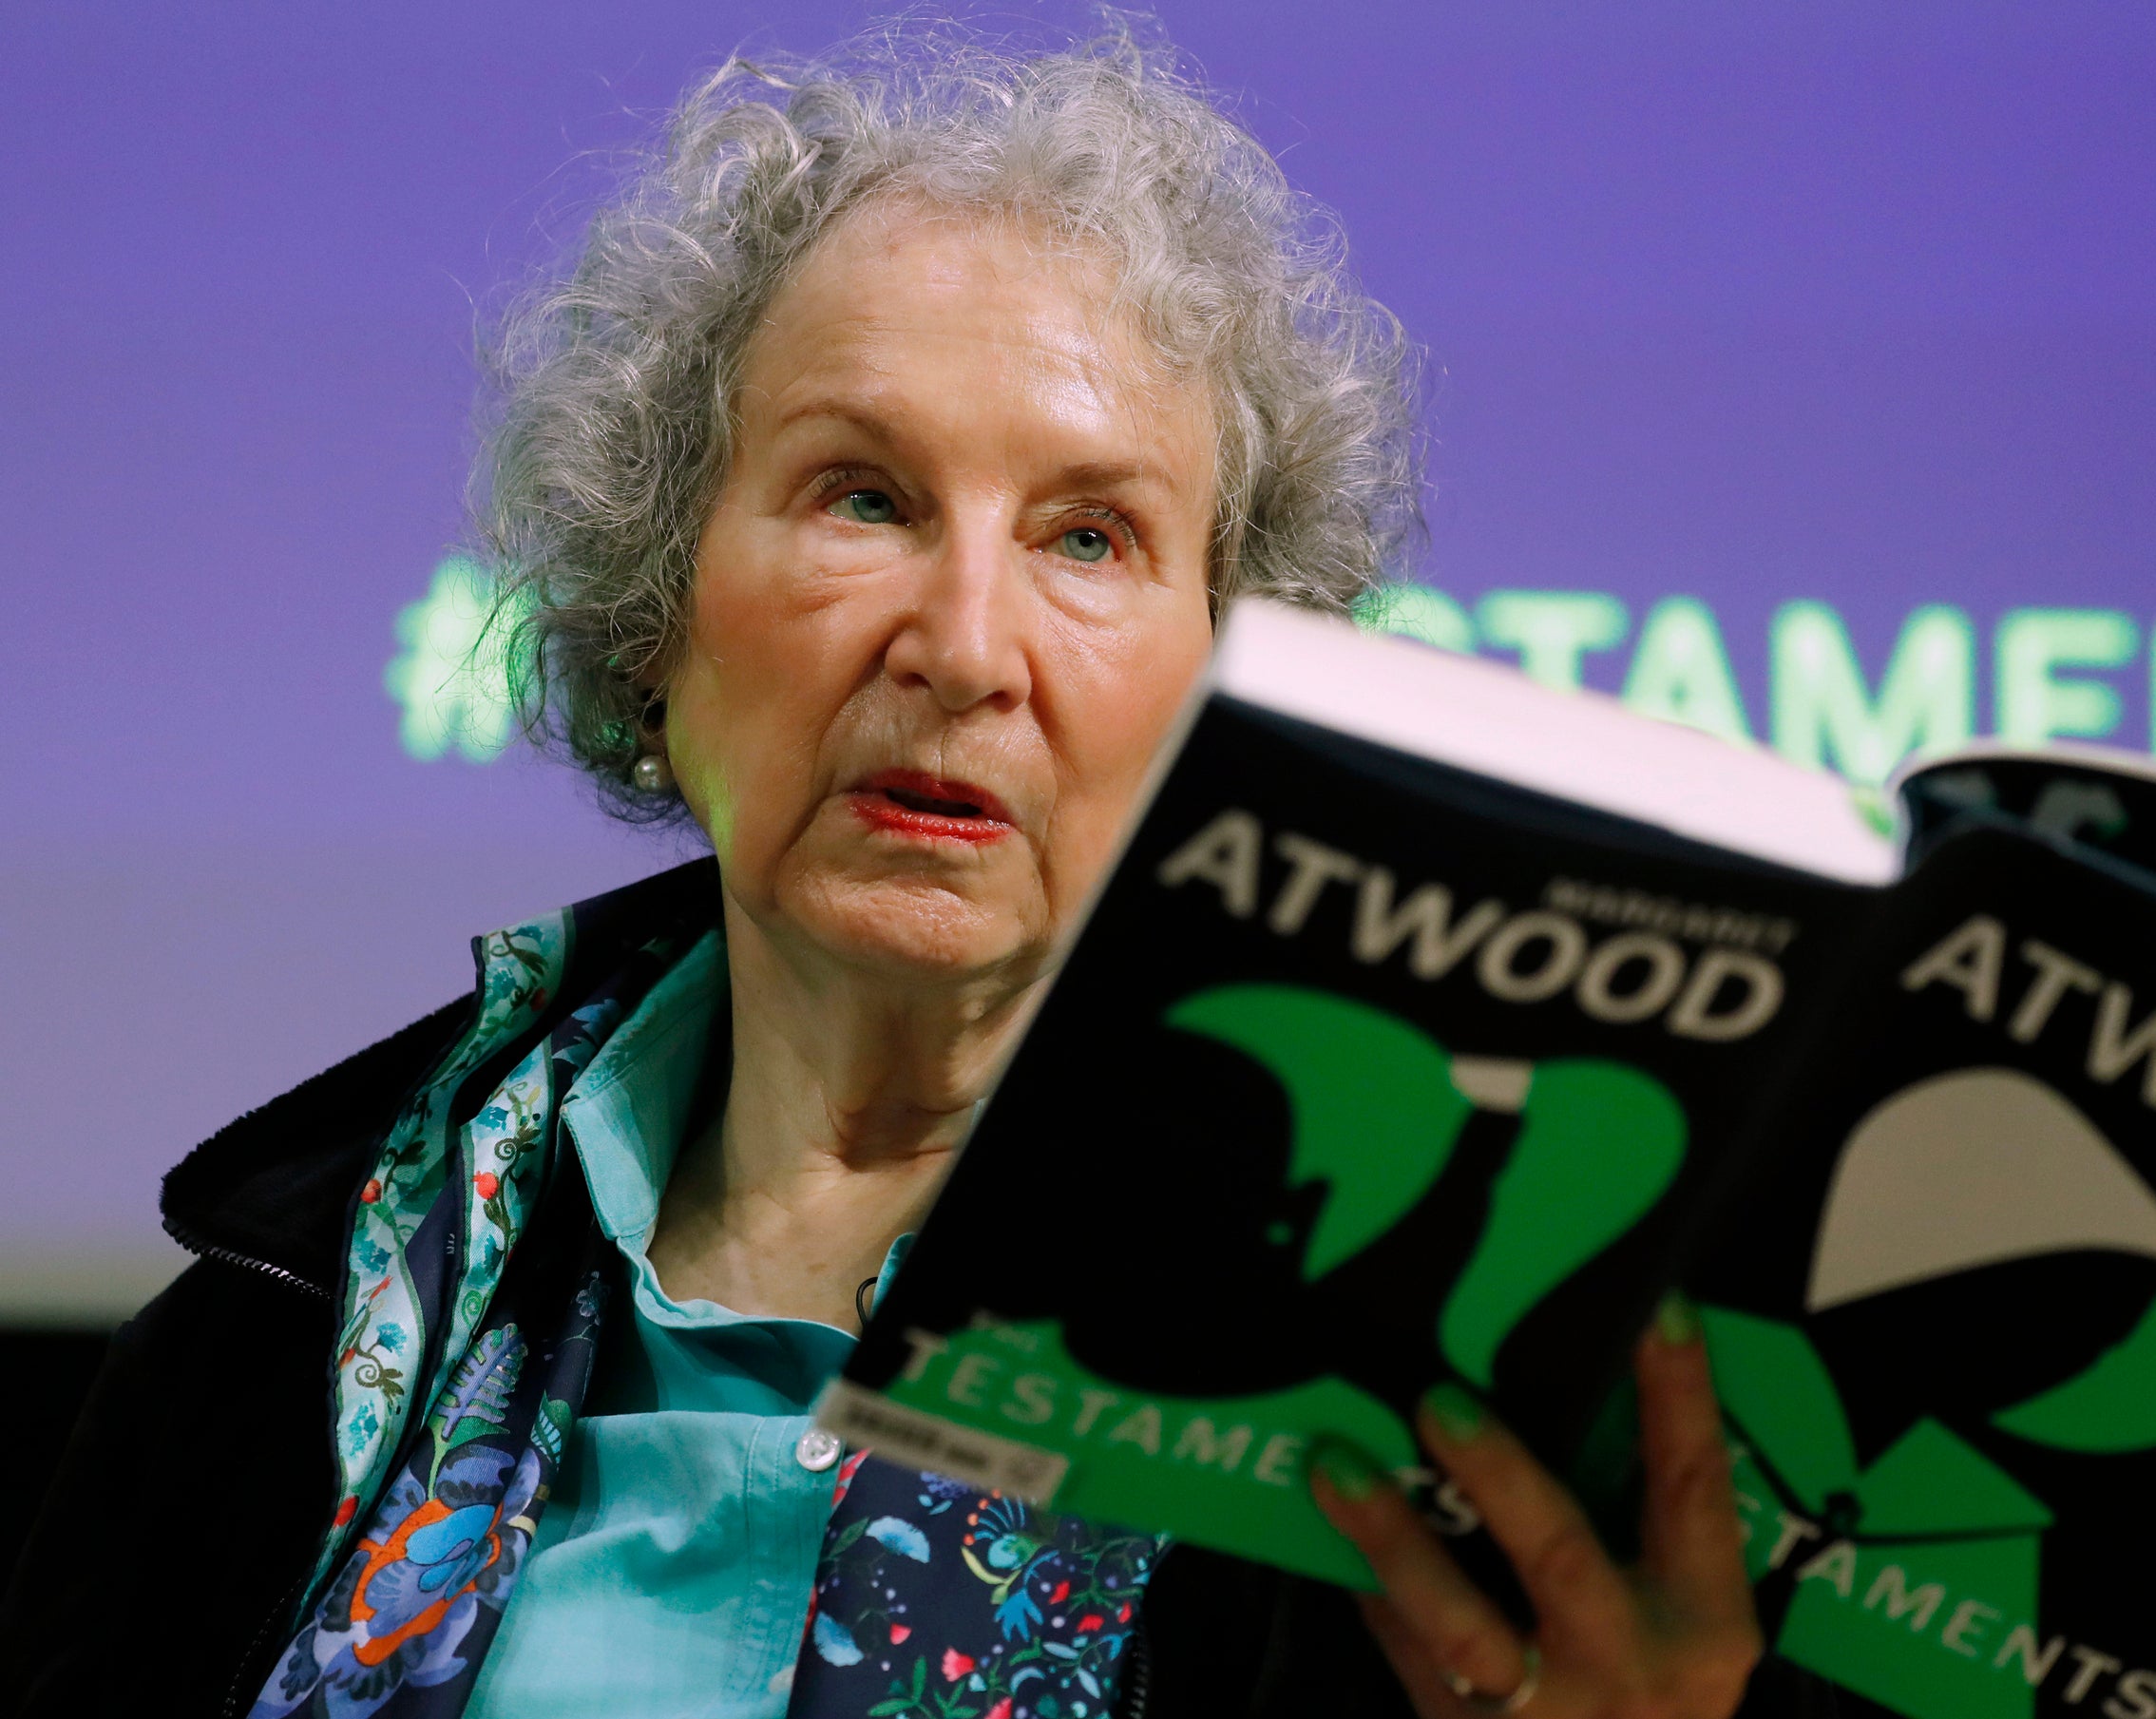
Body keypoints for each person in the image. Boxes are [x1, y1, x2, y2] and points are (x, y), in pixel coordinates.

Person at [0, 30, 1765, 1719]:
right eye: (860, 497)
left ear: (1226, 688)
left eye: (1089, 536)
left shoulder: (1423, 1407)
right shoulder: (274, 1334)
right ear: (658, 608)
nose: (967, 641)